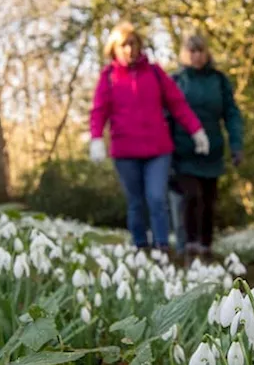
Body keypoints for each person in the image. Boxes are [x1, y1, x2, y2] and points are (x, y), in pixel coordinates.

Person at [89, 22, 209, 255]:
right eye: (123, 45)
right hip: (125, 151)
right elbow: (99, 110)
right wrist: (95, 138)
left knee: (156, 198)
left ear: (139, 45)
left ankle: (162, 248)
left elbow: (177, 104)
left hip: (158, 149)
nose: (129, 50)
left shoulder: (154, 72)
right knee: (136, 202)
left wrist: (196, 130)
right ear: (114, 47)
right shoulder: (109, 77)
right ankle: (140, 248)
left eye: (132, 44)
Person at [170, 34, 244, 261]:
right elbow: (166, 115)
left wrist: (236, 144)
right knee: (192, 196)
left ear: (207, 53)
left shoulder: (219, 81)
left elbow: (231, 113)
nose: (196, 56)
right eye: (191, 51)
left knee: (209, 200)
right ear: (184, 54)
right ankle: (189, 247)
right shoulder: (177, 81)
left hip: (212, 151)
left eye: (200, 51)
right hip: (183, 151)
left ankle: (206, 246)